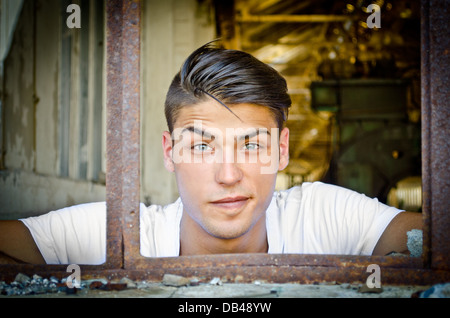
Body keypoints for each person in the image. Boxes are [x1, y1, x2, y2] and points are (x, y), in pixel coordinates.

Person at [0, 42, 422, 265]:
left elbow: (431, 242)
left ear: (282, 150)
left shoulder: (320, 216)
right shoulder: (122, 235)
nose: (228, 174)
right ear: (170, 152)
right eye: (201, 146)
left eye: (252, 144)